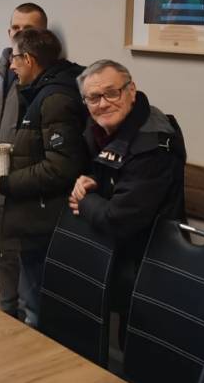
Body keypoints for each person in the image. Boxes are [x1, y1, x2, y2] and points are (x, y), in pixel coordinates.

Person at [69, 60, 186, 345]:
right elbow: (110, 173)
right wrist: (92, 180)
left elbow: (119, 218)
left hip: (152, 265)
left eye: (112, 93)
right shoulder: (101, 128)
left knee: (139, 348)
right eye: (93, 98)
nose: (103, 104)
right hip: (118, 259)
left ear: (131, 90)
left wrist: (84, 201)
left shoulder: (153, 141)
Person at [0, 28, 85, 327]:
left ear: (28, 59)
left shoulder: (55, 98)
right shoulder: (41, 92)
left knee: (39, 306)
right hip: (33, 216)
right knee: (33, 298)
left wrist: (6, 183)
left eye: (15, 58)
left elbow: (59, 167)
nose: (11, 65)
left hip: (44, 219)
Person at [0, 2, 48, 320]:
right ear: (8, 31)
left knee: (30, 267)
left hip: (25, 186)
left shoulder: (45, 77)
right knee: (2, 257)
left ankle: (32, 328)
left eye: (29, 29)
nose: (20, 34)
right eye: (16, 28)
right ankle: (5, 319)